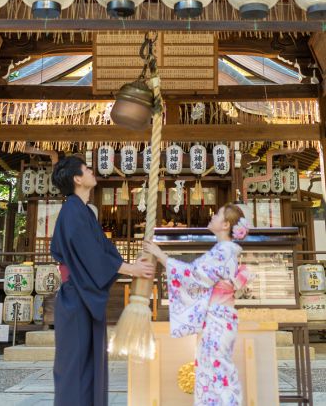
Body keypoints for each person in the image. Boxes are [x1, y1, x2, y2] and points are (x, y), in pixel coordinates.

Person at [50, 156, 154, 406]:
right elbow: (91, 254)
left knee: (87, 363)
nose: (91, 171)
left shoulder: (83, 211)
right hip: (76, 297)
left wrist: (132, 265)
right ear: (77, 178)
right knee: (75, 366)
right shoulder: (72, 211)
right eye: (87, 169)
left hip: (82, 296)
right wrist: (132, 269)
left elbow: (104, 250)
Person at [144, 203, 250, 406]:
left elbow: (193, 275)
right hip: (219, 317)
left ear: (226, 224)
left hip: (218, 319)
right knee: (214, 371)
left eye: (217, 214)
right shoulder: (224, 250)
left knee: (216, 373)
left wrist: (160, 255)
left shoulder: (224, 250)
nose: (212, 216)